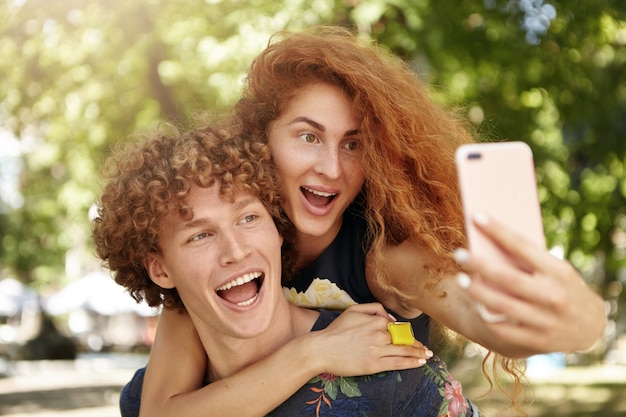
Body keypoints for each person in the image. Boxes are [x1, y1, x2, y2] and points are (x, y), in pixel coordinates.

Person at [123, 26, 606, 416]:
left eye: (352, 144)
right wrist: (313, 353)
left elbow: (495, 323)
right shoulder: (218, 256)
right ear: (260, 140)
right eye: (308, 137)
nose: (332, 168)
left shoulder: (387, 256)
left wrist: (581, 321)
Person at [92, 121, 481, 417]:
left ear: (278, 229)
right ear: (160, 270)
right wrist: (310, 354)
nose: (235, 251)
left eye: (248, 219)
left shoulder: (386, 368)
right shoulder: (146, 399)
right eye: (200, 236)